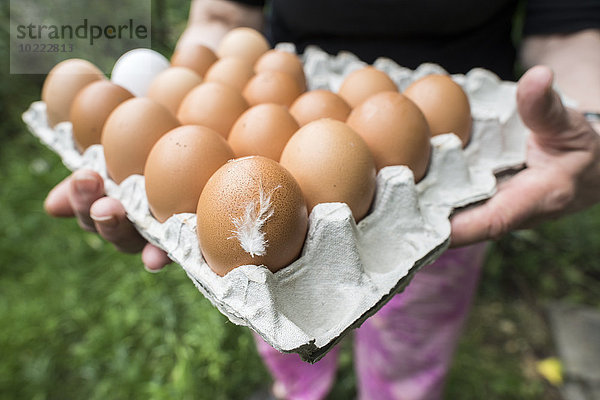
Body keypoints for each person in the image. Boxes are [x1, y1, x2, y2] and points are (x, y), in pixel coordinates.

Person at [44, 0, 600, 399]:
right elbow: (222, 16)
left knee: (415, 330)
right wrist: (178, 100)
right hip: (293, 89)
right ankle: (300, 387)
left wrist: (588, 121)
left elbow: (571, 28)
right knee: (284, 311)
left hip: (443, 170)